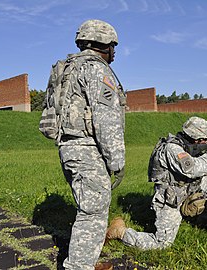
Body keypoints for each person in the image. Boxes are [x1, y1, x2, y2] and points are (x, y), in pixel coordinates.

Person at [56, 19, 126, 269]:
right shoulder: (97, 70)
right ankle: (79, 266)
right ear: (102, 44)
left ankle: (84, 260)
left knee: (87, 208)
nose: (115, 51)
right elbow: (106, 120)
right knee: (93, 213)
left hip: (68, 148)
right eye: (113, 46)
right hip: (87, 150)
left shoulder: (69, 69)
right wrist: (117, 161)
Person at [106, 116, 207, 250]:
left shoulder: (189, 146)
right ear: (195, 138)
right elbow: (191, 169)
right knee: (162, 244)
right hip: (170, 197)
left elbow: (203, 170)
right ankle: (120, 231)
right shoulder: (171, 149)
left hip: (186, 188)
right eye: (204, 141)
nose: (205, 143)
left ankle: (205, 220)